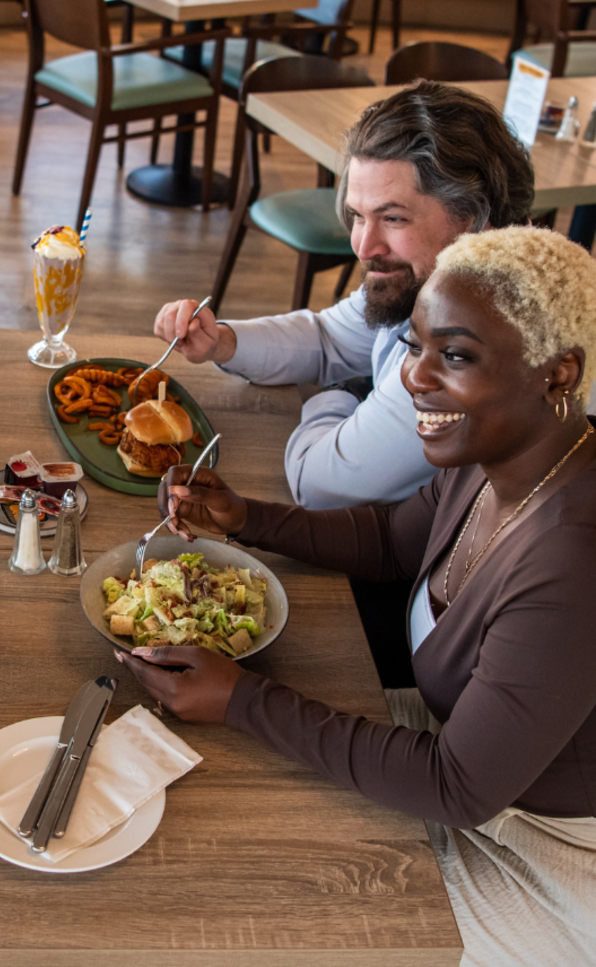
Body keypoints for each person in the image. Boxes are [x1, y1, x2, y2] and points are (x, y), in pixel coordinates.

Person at [123, 227, 596, 966]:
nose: (414, 378)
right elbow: (393, 541)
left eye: (458, 356)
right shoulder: (499, 453)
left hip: (538, 837)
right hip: (457, 752)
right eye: (415, 346)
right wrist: (249, 517)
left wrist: (243, 700)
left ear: (558, 374)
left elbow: (460, 787)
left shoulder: (573, 558)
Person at [154, 80, 534, 511]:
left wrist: (335, 394)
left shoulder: (473, 341)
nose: (363, 246)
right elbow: (330, 337)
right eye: (357, 216)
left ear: (474, 221)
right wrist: (223, 340)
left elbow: (320, 483)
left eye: (393, 218)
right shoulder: (427, 278)